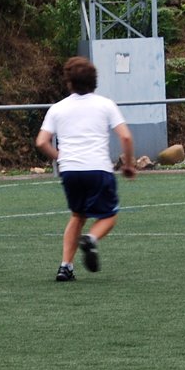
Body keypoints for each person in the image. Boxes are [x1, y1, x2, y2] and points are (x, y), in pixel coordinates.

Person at [35, 56, 136, 282]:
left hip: (70, 171)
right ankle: (91, 239)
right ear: (94, 81)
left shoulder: (57, 108)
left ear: (69, 83)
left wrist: (61, 158)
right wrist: (129, 165)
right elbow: (126, 137)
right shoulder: (105, 105)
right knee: (109, 216)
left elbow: (41, 142)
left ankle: (65, 267)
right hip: (98, 169)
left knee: (77, 215)